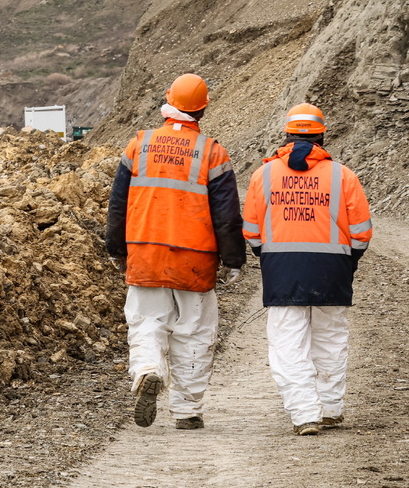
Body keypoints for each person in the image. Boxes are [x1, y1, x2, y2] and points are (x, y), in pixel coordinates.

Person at [105, 73, 246, 430]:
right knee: (195, 333)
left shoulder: (139, 145)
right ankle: (186, 410)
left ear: (168, 101)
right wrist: (233, 259)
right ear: (203, 108)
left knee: (146, 322)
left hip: (145, 253)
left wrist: (116, 248)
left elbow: (118, 203)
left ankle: (149, 370)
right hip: (195, 261)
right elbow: (227, 215)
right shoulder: (213, 153)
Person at [242, 103, 372, 436]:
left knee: (288, 344)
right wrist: (347, 261)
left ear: (286, 135)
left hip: (283, 270)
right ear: (322, 136)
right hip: (332, 269)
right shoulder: (343, 175)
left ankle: (305, 415)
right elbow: (361, 232)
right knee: (330, 339)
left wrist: (268, 256)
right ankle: (330, 409)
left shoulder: (264, 175)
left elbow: (252, 231)